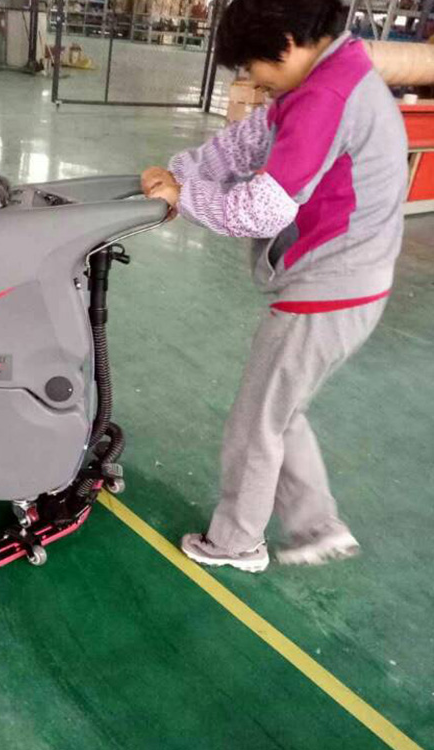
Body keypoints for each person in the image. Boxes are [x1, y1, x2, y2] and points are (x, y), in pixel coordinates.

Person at [141, 0, 408, 572]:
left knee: (256, 424)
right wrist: (178, 172)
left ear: (285, 42)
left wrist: (185, 197)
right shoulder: (336, 70)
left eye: (253, 68)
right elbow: (248, 141)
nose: (254, 82)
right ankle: (317, 526)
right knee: (280, 410)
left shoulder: (324, 97)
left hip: (330, 288)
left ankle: (237, 542)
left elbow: (261, 210)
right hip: (354, 281)